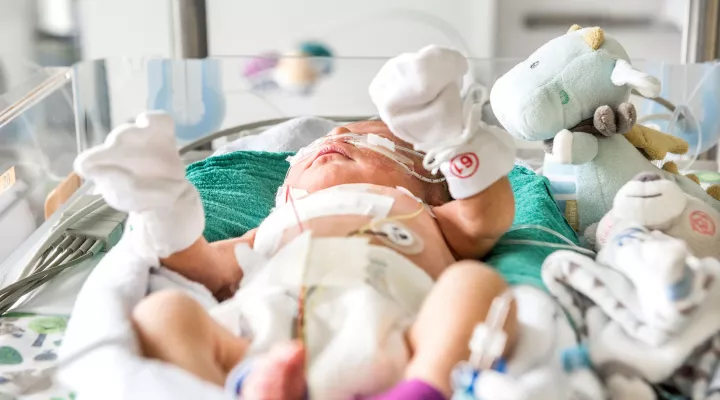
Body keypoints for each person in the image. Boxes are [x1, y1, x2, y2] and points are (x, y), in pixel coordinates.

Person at [75, 46, 518, 400]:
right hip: (259, 337)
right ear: (282, 192)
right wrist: (163, 206)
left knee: (474, 286)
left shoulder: (425, 213)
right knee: (163, 312)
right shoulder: (273, 227)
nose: (334, 139)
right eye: (305, 153)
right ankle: (237, 383)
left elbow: (485, 217)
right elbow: (200, 271)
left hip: (396, 333)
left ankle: (424, 388)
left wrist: (451, 139)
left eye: (366, 140)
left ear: (430, 181)